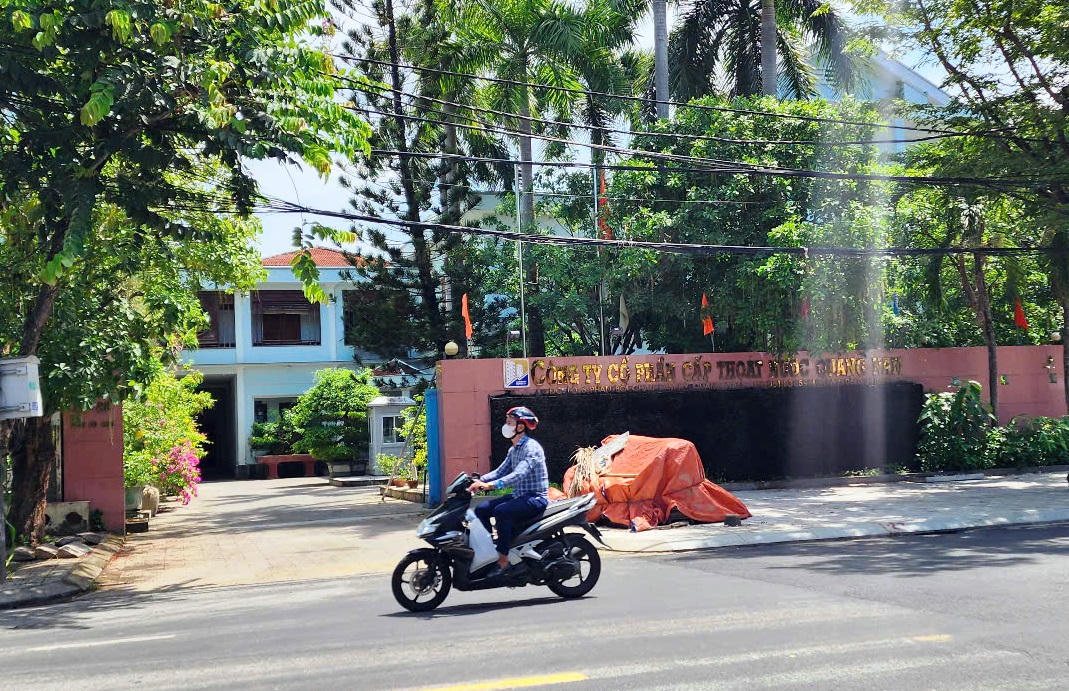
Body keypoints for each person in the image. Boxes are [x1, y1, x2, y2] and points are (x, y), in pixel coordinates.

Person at [468, 406, 549, 577]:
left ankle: (503, 559)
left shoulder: (531, 448)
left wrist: (490, 486)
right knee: (481, 508)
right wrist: (479, 480)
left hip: (535, 497)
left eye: (510, 422)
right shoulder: (514, 449)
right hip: (518, 495)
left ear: (521, 426)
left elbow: (518, 475)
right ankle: (488, 551)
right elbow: (500, 471)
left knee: (501, 511)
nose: (506, 425)